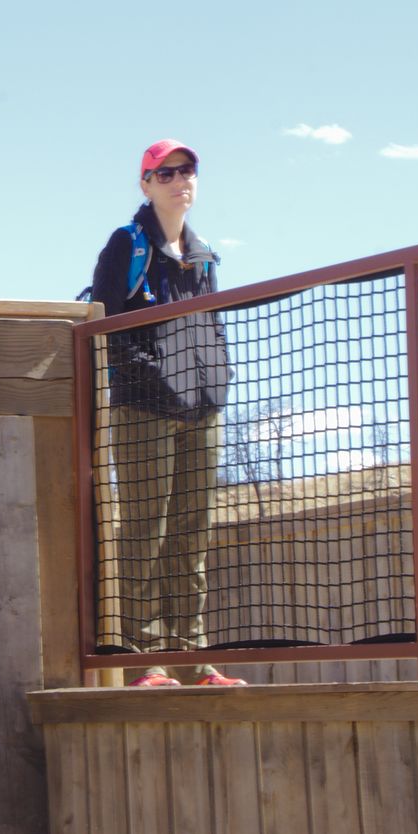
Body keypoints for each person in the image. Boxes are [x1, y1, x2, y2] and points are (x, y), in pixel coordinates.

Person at [90, 139, 245, 687]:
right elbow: (104, 328)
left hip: (202, 410)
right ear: (146, 184)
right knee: (144, 531)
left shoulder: (203, 255)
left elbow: (212, 327)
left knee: (192, 534)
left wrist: (216, 381)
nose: (181, 180)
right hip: (144, 409)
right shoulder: (125, 245)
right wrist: (153, 375)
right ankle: (143, 660)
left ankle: (194, 661)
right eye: (167, 172)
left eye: (189, 171)